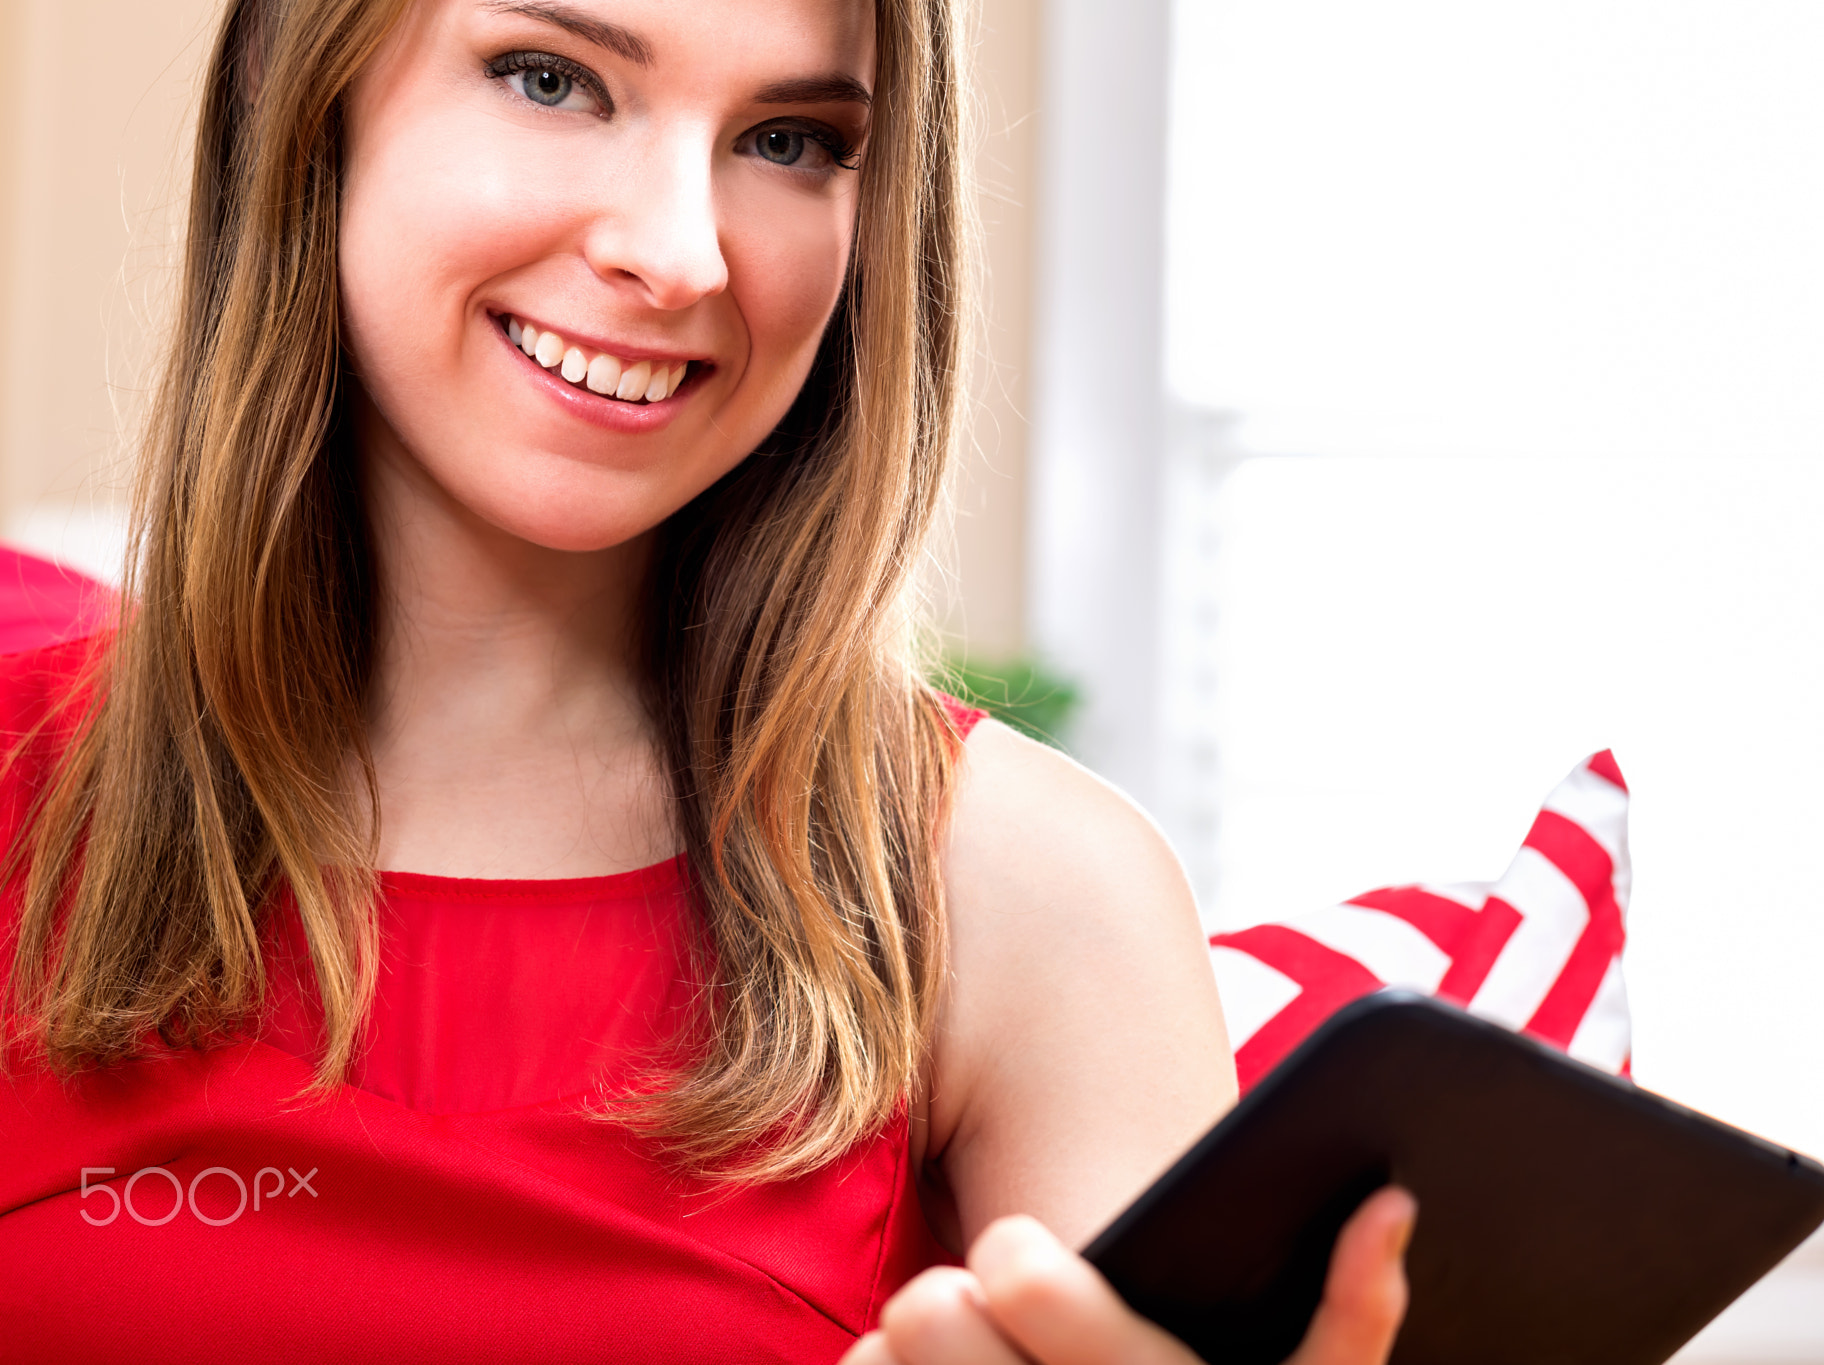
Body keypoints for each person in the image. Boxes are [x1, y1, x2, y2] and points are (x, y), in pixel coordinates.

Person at [0, 1, 1414, 1359]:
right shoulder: (24, 782)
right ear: (292, 86)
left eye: (792, 138)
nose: (681, 255)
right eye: (552, 78)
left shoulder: (1029, 896)